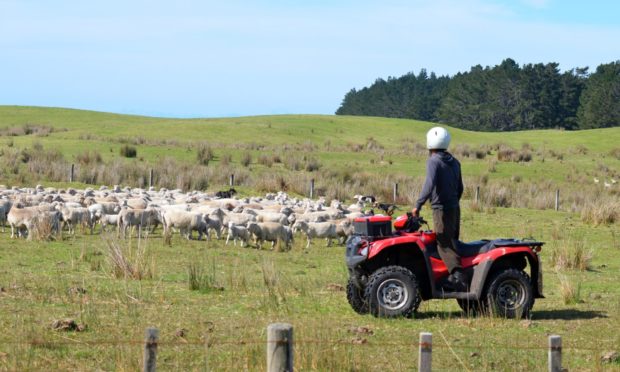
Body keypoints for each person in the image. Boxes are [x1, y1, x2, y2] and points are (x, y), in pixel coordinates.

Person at [412, 127, 466, 291]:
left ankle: (457, 277)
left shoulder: (433, 161)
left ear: (430, 143)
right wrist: (453, 203)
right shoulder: (455, 162)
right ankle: (451, 274)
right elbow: (460, 187)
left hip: (441, 208)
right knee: (452, 241)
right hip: (454, 208)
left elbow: (429, 184)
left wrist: (418, 205)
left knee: (443, 243)